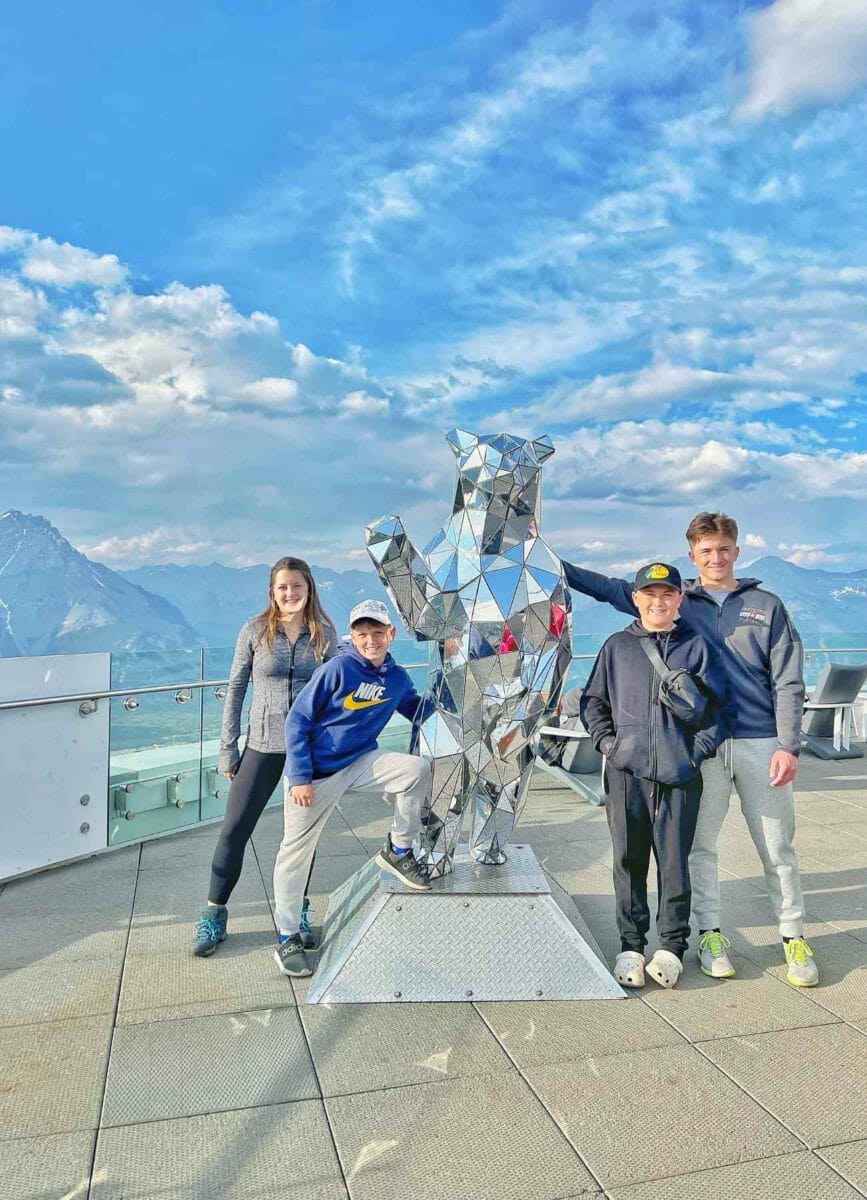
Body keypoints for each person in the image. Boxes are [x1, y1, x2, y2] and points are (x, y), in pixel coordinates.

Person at [564, 513, 819, 988]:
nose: (715, 558)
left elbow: (789, 678)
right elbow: (604, 587)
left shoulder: (765, 605)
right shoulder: (679, 600)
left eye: (723, 549)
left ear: (735, 551)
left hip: (760, 740)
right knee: (696, 848)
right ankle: (710, 935)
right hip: (702, 750)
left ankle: (793, 936)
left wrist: (789, 744)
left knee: (777, 845)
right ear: (692, 557)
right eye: (706, 552)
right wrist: (545, 558)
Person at [580, 563, 729, 989]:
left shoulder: (699, 647)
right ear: (636, 598)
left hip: (680, 775)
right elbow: (593, 703)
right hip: (627, 772)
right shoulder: (616, 647)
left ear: (680, 598)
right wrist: (610, 745)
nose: (658, 602)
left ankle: (671, 946)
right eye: (650, 594)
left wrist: (694, 755)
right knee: (628, 861)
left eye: (667, 594)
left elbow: (720, 712)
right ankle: (630, 945)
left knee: (674, 862)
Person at [272, 598, 434, 977]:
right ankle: (287, 936)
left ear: (390, 634)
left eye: (377, 633)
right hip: (316, 774)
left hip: (359, 762)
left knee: (415, 770)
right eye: (362, 634)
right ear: (352, 636)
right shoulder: (337, 669)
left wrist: (463, 713)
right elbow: (297, 720)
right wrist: (299, 777)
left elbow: (417, 710)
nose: (370, 641)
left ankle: (398, 849)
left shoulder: (395, 677)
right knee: (295, 854)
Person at [192, 557, 339, 957]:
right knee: (234, 830)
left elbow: (342, 686)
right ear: (272, 592)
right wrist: (229, 747)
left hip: (308, 753)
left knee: (301, 839)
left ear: (309, 590)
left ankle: (298, 912)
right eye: (282, 588)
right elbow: (236, 688)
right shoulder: (255, 631)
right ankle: (214, 913)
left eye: (297, 587)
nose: (290, 594)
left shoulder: (324, 633)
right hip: (261, 744)